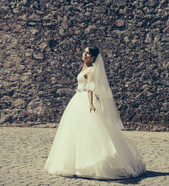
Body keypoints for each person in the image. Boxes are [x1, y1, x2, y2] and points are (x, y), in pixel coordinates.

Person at [44, 46, 146, 179]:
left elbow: (90, 88)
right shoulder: (84, 68)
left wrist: (91, 104)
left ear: (93, 57)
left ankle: (90, 164)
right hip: (76, 99)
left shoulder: (91, 70)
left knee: (89, 131)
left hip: (84, 99)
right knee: (74, 131)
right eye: (84, 52)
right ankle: (73, 163)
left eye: (88, 53)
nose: (85, 54)